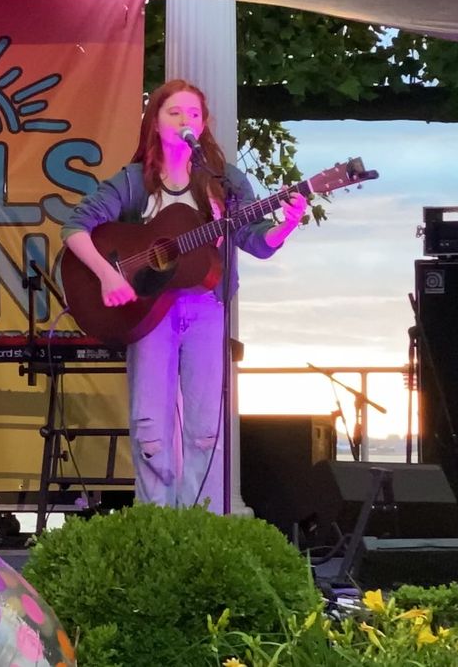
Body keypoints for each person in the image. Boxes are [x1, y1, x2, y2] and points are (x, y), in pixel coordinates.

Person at [60, 79, 306, 511]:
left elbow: (255, 241)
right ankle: (155, 517)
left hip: (206, 308)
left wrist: (285, 224)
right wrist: (108, 276)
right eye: (174, 112)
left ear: (203, 124)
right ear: (155, 122)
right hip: (148, 313)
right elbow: (75, 228)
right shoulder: (134, 181)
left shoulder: (224, 182)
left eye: (193, 114)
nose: (184, 121)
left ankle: (201, 521)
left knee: (205, 427)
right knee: (150, 425)